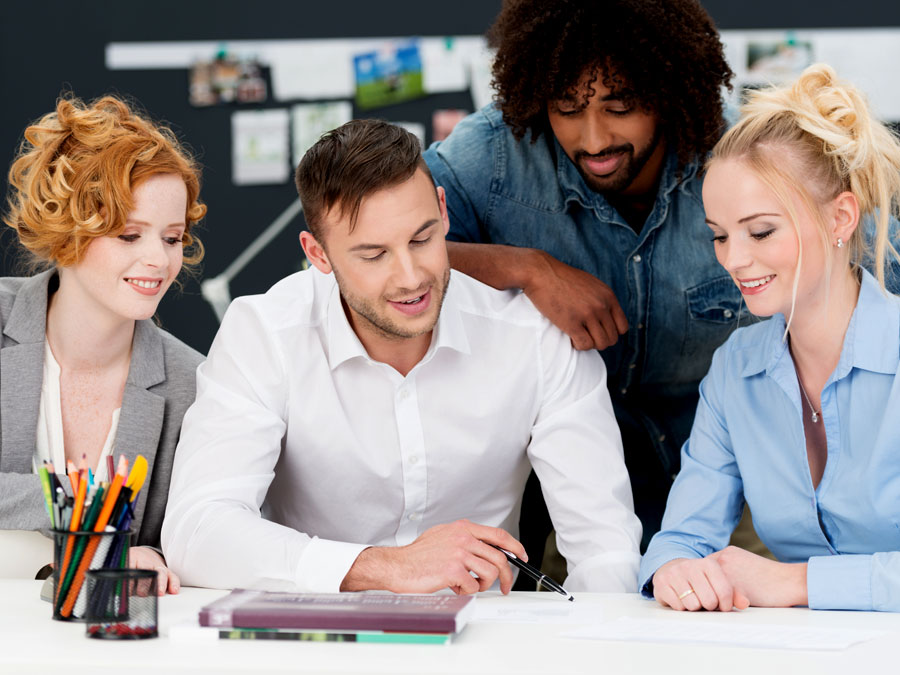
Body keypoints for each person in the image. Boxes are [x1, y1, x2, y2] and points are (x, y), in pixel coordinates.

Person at [161, 119, 641, 595]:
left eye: (422, 238)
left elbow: (604, 546)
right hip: (315, 644)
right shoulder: (264, 334)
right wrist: (387, 568)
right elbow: (197, 530)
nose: (411, 277)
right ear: (318, 255)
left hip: (487, 645)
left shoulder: (535, 339)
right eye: (373, 255)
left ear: (443, 210)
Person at [423, 0, 738, 546]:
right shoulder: (494, 156)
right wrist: (526, 268)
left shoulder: (748, 156)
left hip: (734, 500)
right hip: (564, 513)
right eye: (566, 108)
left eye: (621, 106)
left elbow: (873, 268)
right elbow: (362, 253)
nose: (593, 140)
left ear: (670, 88)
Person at [639, 64, 900, 612]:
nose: (734, 259)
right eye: (719, 236)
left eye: (761, 231)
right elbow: (681, 540)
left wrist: (797, 583)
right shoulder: (736, 370)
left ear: (841, 218)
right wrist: (675, 571)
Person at [0, 95, 207, 593]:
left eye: (172, 238)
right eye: (130, 234)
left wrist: (151, 556)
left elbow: (193, 532)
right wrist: (80, 507)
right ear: (68, 228)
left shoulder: (193, 383)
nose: (158, 260)